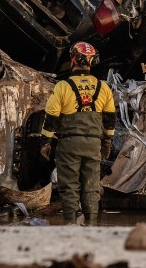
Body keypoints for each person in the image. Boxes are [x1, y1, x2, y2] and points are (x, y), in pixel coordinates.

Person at [40, 42, 116, 225]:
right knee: (91, 186)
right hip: (93, 144)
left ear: (73, 59)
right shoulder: (103, 87)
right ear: (92, 62)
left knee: (69, 186)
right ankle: (90, 222)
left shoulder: (63, 87)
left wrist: (45, 142)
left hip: (69, 145)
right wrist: (107, 141)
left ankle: (70, 223)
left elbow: (51, 118)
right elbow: (110, 119)